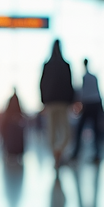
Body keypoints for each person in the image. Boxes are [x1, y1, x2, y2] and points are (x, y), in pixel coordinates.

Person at [40, 40, 75, 168]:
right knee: (65, 132)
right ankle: (58, 152)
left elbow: (42, 84)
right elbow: (71, 84)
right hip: (62, 103)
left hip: (53, 103)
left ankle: (57, 152)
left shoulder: (48, 65)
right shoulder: (65, 65)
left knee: (53, 131)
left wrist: (43, 101)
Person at [69, 59, 104, 163]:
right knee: (96, 130)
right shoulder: (93, 77)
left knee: (80, 130)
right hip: (95, 104)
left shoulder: (85, 77)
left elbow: (82, 93)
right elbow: (98, 92)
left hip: (88, 105)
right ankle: (97, 154)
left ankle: (76, 154)